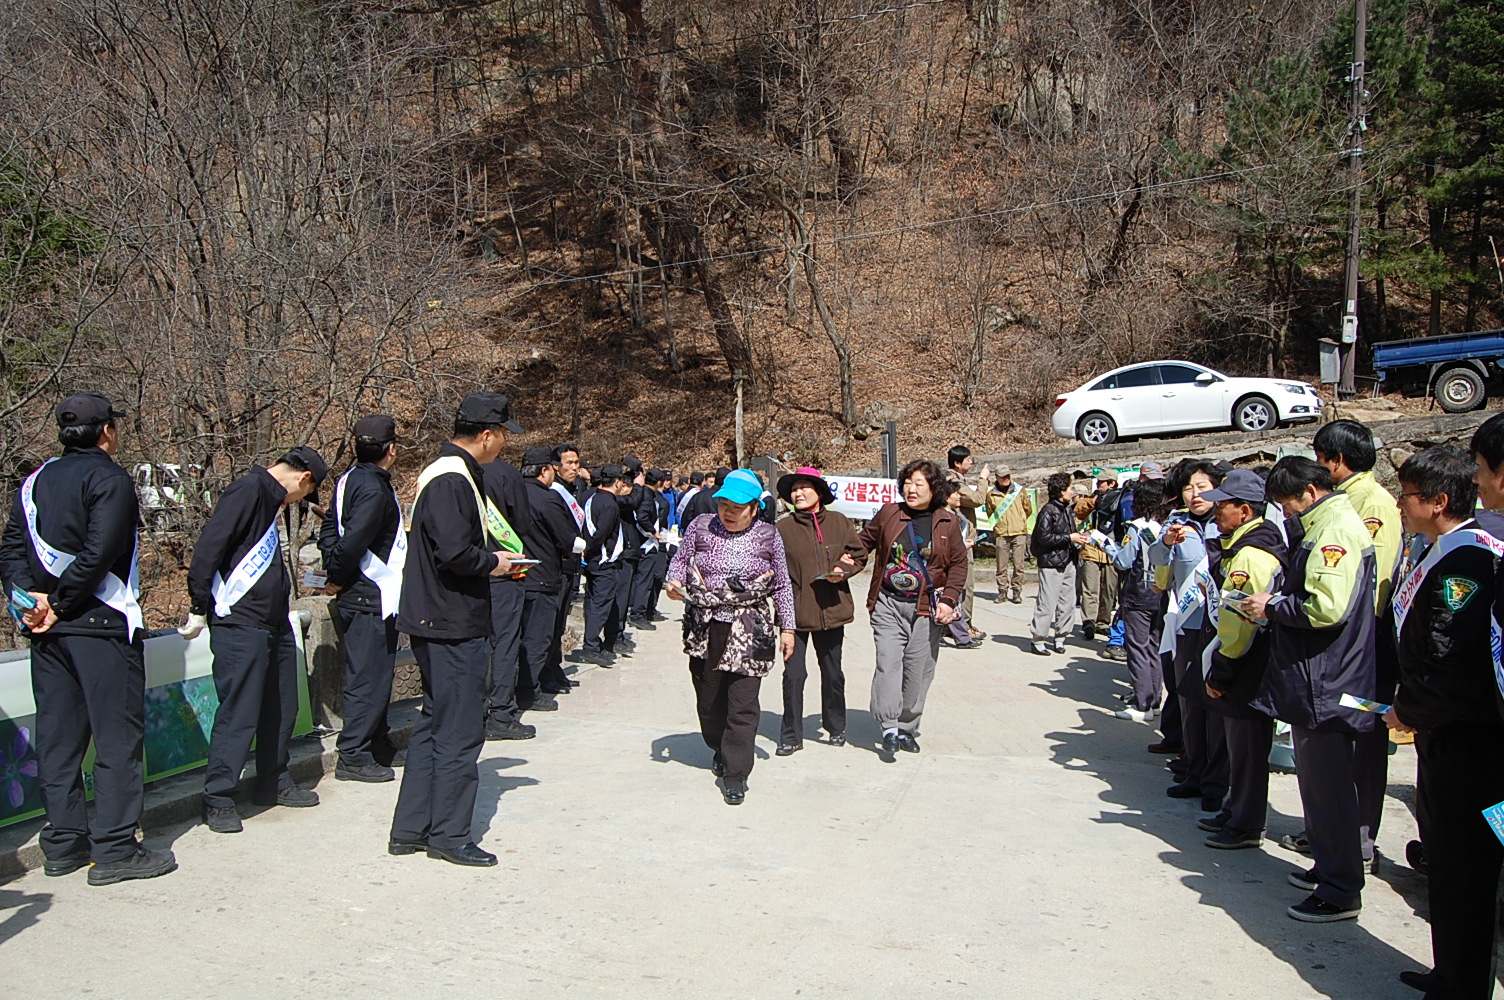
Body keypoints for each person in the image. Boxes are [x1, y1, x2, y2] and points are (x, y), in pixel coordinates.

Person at [0, 392, 176, 885]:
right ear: (106, 432)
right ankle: (116, 848)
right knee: (117, 738)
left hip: (48, 632)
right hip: (99, 626)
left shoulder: (34, 481)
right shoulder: (110, 479)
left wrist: (30, 602)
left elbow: (10, 549)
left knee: (58, 739)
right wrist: (58, 604)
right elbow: (101, 550)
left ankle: (64, 843)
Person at [1379, 447, 1504, 999]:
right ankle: (1449, 971)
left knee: (1466, 868)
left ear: (1438, 501)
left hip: (1467, 741)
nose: (1399, 505)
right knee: (1449, 866)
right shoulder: (1440, 550)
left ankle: (1462, 983)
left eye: (1406, 496)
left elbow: (1450, 660)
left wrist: (1409, 711)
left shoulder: (1468, 561)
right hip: (1444, 733)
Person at [1242, 456, 1378, 923]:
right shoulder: (1325, 524)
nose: (1286, 514)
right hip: (1319, 674)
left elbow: (1326, 608)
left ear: (1311, 493)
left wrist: (1273, 605)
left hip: (1325, 677)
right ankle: (1329, 866)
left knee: (1329, 788)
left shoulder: (1332, 531)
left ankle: (1340, 889)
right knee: (1319, 786)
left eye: (1288, 504)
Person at [389, 393, 520, 868]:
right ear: (486, 435)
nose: (504, 444)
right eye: (502, 435)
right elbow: (454, 552)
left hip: (438, 618)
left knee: (434, 723)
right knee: (461, 731)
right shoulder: (451, 479)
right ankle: (449, 833)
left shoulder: (450, 472)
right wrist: (496, 563)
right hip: (450, 621)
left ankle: (411, 828)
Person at [186, 444, 328, 834]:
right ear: (303, 478)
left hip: (274, 621)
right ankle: (218, 797)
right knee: (240, 711)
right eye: (307, 492)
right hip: (240, 622)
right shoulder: (248, 490)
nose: (301, 500)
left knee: (282, 704)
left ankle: (273, 779)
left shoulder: (270, 500)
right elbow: (210, 547)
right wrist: (199, 602)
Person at [666, 470, 796, 805]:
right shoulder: (701, 526)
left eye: (738, 507)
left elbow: (782, 584)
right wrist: (673, 583)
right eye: (724, 504)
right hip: (706, 626)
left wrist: (788, 628)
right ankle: (718, 746)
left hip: (750, 628)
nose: (729, 512)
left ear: (754, 509)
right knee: (709, 702)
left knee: (743, 705)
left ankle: (736, 772)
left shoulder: (769, 535)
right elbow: (679, 562)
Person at [1307, 418, 1402, 869]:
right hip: (1348, 638)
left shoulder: (1371, 502)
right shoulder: (1345, 498)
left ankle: (1359, 839)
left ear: (1337, 461)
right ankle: (1335, 831)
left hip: (1364, 641)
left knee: (1363, 737)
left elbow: (1372, 581)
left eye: (1320, 460)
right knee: (1340, 738)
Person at [1197, 469, 1287, 850]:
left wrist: (1222, 670)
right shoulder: (1247, 545)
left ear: (1245, 511)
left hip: (1248, 665)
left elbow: (1239, 622)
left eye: (1223, 505)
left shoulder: (1250, 555)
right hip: (1252, 661)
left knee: (1247, 746)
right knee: (1239, 746)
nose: (1216, 511)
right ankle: (1236, 808)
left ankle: (1246, 823)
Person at [857, 459, 968, 760]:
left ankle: (907, 726)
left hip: (925, 609)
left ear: (934, 489)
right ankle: (889, 726)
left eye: (919, 483)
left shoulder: (948, 522)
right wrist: (842, 563)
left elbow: (959, 564)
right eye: (907, 482)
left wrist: (949, 599)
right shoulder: (890, 513)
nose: (911, 489)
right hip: (887, 603)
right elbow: (862, 543)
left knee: (918, 670)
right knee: (888, 662)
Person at [318, 415, 405, 783]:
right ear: (391, 449)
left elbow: (328, 530)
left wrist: (332, 564)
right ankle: (353, 753)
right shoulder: (373, 489)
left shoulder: (349, 479)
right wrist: (337, 576)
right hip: (369, 593)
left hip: (366, 592)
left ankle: (377, 742)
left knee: (378, 675)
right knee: (367, 678)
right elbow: (353, 541)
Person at [1152, 460, 1228, 815]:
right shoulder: (1177, 522)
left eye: (1202, 487)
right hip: (1186, 624)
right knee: (1188, 701)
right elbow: (1155, 557)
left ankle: (1216, 783)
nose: (1195, 494)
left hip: (1221, 626)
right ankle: (1194, 772)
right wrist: (1167, 542)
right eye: (1188, 488)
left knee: (1216, 708)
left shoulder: (1226, 521)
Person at [774, 467, 867, 755]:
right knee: (794, 676)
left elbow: (858, 554)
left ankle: (836, 726)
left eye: (804, 487)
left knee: (833, 672)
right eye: (794, 489)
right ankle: (791, 735)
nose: (798, 493)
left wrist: (842, 570)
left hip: (832, 610)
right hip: (795, 614)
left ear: (819, 493)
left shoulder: (839, 522)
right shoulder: (783, 529)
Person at [516, 446, 584, 712]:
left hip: (517, 573)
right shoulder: (547, 499)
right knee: (538, 637)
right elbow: (566, 537)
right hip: (543, 575)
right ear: (545, 470)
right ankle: (529, 691)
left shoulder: (512, 492)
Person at [480, 435, 536, 742]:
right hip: (503, 570)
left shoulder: (447, 470)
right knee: (504, 643)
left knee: (474, 645)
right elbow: (522, 522)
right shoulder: (505, 474)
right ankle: (501, 713)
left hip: (466, 570)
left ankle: (474, 711)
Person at [1097, 478, 1165, 721]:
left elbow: (1124, 561)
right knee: (1154, 648)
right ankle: (1154, 700)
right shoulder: (1167, 525)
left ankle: (1142, 703)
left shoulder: (1137, 528)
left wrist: (1106, 545)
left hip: (1139, 593)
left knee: (1137, 648)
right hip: (1161, 592)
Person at [569, 464, 628, 667]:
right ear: (617, 482)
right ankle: (591, 647)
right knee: (599, 606)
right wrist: (591, 549)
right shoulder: (609, 505)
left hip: (593, 560)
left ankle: (593, 643)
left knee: (593, 602)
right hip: (603, 561)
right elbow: (601, 533)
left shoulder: (591, 497)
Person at [1029, 472, 1087, 655]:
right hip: (1051, 563)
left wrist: (1078, 538)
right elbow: (1043, 537)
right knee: (1047, 602)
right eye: (1070, 488)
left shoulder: (1067, 509)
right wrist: (1069, 538)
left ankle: (1061, 636)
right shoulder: (1048, 511)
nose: (1072, 491)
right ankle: (1038, 639)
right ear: (1061, 491)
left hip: (1069, 560)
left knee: (1067, 602)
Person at [946, 446, 989, 636]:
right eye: (968, 459)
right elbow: (977, 499)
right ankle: (964, 626)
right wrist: (983, 479)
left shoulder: (954, 480)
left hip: (959, 540)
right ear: (957, 462)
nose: (971, 463)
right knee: (965, 585)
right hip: (960, 542)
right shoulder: (953, 482)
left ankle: (953, 625)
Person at [943, 486, 986, 649]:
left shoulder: (956, 515)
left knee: (956, 598)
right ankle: (959, 636)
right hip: (948, 562)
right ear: (947, 497)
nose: (959, 497)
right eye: (956, 494)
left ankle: (961, 636)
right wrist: (961, 545)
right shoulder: (942, 517)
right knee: (950, 598)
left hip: (958, 558)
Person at [629, 469, 672, 630]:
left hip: (641, 542)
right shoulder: (648, 496)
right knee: (644, 580)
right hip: (647, 543)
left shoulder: (641, 493)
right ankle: (638, 614)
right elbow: (642, 517)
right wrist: (653, 532)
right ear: (659, 482)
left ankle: (637, 610)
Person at [1074, 482, 1115, 641]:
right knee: (1090, 589)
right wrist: (1094, 502)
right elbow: (1078, 510)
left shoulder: (1118, 500)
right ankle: (1089, 622)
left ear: (1112, 483)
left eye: (1102, 482)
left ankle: (1103, 622)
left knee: (1109, 590)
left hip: (1110, 552)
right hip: (1090, 551)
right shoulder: (1091, 500)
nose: (1098, 485)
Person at [985, 465, 1032, 604]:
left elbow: (1028, 509)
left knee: (1019, 564)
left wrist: (1020, 520)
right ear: (997, 477)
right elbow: (990, 513)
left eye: (1008, 475)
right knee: (1001, 565)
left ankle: (1017, 590)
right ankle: (1002, 591)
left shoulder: (1019, 490)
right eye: (1003, 476)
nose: (1006, 479)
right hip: (1002, 533)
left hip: (1019, 532)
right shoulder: (991, 495)